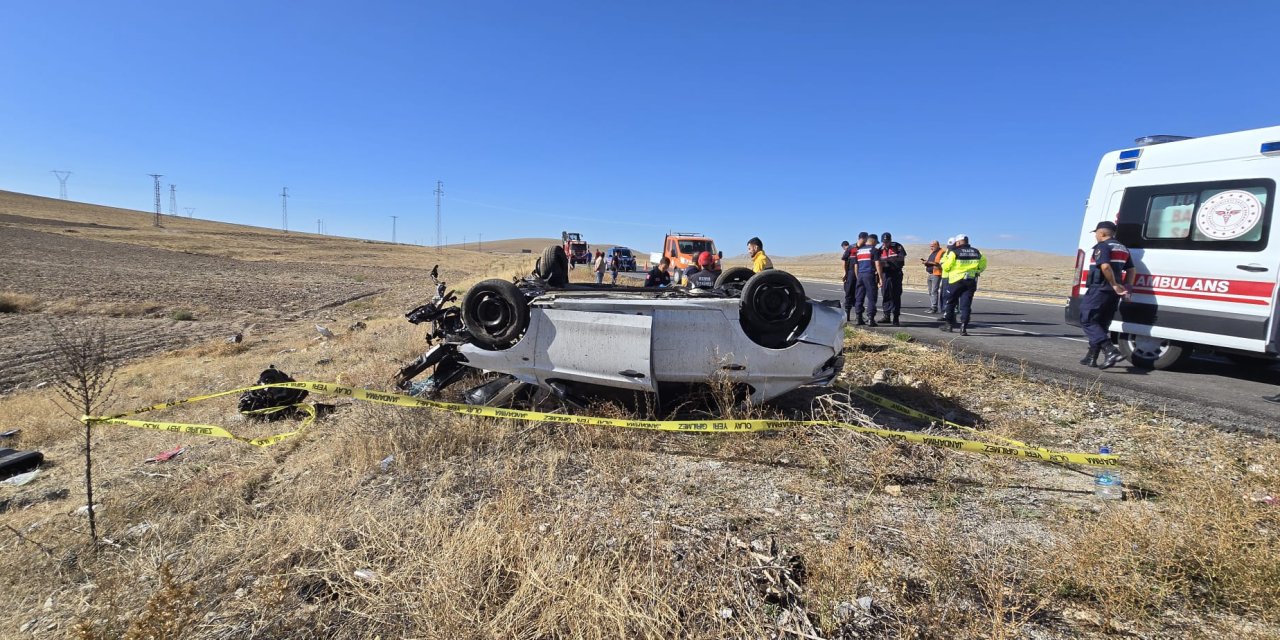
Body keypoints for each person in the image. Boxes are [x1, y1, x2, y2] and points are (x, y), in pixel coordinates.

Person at [1078, 221, 1134, 369]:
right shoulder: (1123, 248)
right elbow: (1131, 270)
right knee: (1101, 323)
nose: (1095, 236)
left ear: (1102, 233)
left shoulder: (1103, 246)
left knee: (1087, 319)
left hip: (1100, 289)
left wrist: (1114, 283)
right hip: (1113, 293)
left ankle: (1111, 351)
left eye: (1096, 233)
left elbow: (1105, 266)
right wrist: (1125, 288)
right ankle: (1092, 357)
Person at [939, 234, 986, 336]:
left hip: (956, 281)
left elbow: (946, 267)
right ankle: (963, 327)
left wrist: (947, 267)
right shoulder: (977, 252)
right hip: (970, 281)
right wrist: (976, 271)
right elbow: (983, 265)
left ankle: (949, 325)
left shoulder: (954, 252)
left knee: (950, 302)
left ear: (959, 242)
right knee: (966, 305)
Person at [852, 233, 883, 326]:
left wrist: (858, 276)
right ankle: (871, 318)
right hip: (869, 274)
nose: (876, 244)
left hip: (860, 275)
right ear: (873, 241)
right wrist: (881, 278)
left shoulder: (858, 251)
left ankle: (858, 318)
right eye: (876, 242)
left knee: (859, 297)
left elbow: (856, 265)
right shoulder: (874, 250)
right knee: (871, 297)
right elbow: (877, 264)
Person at [878, 231, 907, 326]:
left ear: (890, 240)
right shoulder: (880, 249)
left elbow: (901, 259)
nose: (885, 243)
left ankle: (896, 317)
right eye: (884, 242)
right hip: (885, 274)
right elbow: (877, 262)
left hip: (896, 274)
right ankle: (886, 315)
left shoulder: (897, 246)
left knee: (896, 295)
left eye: (887, 241)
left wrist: (887, 261)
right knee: (885, 294)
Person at [842, 234, 866, 321]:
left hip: (862, 273)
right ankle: (846, 316)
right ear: (860, 239)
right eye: (864, 239)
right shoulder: (851, 248)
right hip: (851, 274)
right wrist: (845, 273)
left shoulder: (865, 248)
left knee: (859, 295)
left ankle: (859, 315)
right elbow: (844, 260)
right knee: (849, 294)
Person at [920, 240, 945, 314]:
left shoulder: (942, 252)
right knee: (930, 291)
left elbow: (940, 263)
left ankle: (934, 307)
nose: (931, 248)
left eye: (932, 246)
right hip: (930, 273)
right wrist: (926, 263)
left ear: (937, 245)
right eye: (930, 246)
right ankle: (932, 306)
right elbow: (931, 262)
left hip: (936, 273)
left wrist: (928, 262)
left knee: (934, 291)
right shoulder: (932, 252)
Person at [937, 236, 956, 318]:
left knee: (951, 296)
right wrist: (944, 263)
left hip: (953, 277)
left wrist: (944, 264)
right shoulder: (947, 252)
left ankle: (951, 315)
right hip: (945, 276)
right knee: (943, 295)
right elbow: (942, 260)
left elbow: (948, 264)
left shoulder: (957, 252)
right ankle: (945, 313)